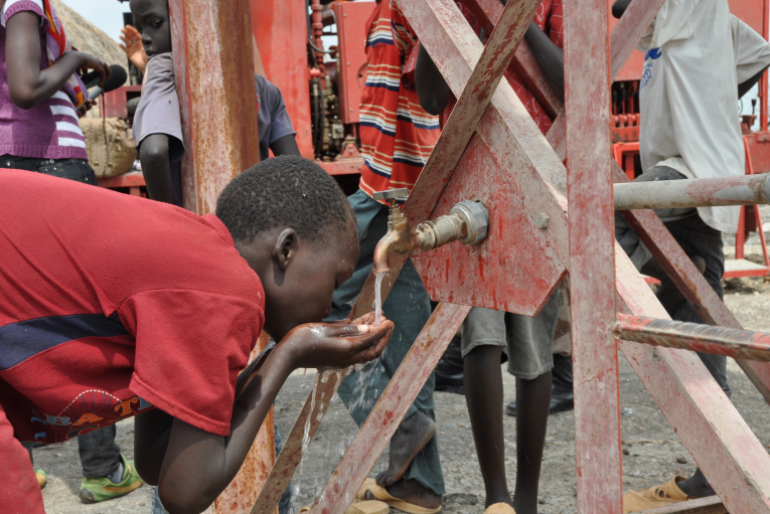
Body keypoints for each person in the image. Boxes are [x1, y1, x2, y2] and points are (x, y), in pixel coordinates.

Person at [0, 155, 394, 514]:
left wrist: (277, 356)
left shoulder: (193, 263)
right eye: (335, 281)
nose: (330, 306)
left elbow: (157, 463)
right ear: (286, 249)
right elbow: (184, 495)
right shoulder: (225, 289)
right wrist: (289, 354)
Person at [402, 1, 565, 512]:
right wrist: (460, 15)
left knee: (534, 345)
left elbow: (572, 87)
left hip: (537, 181)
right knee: (481, 334)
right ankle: (497, 498)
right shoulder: (454, 8)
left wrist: (513, 19)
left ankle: (526, 499)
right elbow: (431, 96)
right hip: (473, 180)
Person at [610, 1, 770, 511]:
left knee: (616, 212)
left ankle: (610, 296)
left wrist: (711, 116)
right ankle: (712, 475)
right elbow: (758, 52)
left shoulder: (693, 6)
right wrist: (714, 99)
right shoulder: (686, 27)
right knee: (704, 329)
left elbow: (621, 6)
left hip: (690, 170)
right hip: (690, 182)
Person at [0, 0, 147, 503]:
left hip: (21, 165)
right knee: (84, 316)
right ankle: (103, 470)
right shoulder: (23, 2)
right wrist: (77, 57)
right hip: (47, 166)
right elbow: (26, 90)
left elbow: (44, 92)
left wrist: (82, 80)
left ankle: (18, 462)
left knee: (17, 317)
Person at [328, 1, 444, 512]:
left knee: (315, 308)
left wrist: (374, 190)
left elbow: (390, 104)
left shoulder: (395, 10)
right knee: (406, 338)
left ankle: (396, 423)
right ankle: (418, 483)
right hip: (416, 184)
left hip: (386, 188)